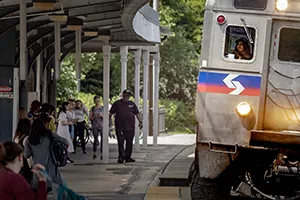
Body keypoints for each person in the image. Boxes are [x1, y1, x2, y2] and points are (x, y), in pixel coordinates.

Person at [24, 119, 68, 196]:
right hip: (51, 170)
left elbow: (26, 155)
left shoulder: (29, 140)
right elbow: (65, 141)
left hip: (37, 172)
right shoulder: (50, 135)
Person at [109, 89, 142, 163]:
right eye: (125, 95)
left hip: (130, 127)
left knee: (129, 142)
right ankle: (121, 157)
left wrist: (140, 121)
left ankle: (128, 157)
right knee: (120, 142)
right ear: (122, 95)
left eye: (128, 96)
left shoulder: (132, 104)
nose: (127, 97)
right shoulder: (117, 103)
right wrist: (108, 122)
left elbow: (137, 113)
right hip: (120, 126)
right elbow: (110, 113)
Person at [13, 118, 33, 184]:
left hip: (17, 164)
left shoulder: (16, 137)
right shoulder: (26, 139)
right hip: (25, 166)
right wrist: (31, 167)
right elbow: (28, 156)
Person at [89, 95, 103, 160]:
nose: (97, 102)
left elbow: (107, 117)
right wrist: (94, 117)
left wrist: (101, 116)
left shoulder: (103, 108)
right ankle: (94, 153)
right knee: (95, 139)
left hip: (102, 125)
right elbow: (90, 118)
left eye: (98, 100)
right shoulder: (92, 108)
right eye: (96, 101)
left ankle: (102, 153)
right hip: (95, 125)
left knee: (103, 140)